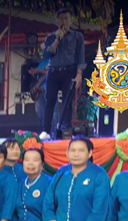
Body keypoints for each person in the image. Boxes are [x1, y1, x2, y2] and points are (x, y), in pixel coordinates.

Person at [39, 8, 85, 141]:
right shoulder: (51, 37)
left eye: (67, 18)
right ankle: (46, 130)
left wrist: (79, 74)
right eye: (62, 19)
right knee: (49, 102)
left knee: (67, 102)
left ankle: (66, 128)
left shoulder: (78, 36)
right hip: (53, 71)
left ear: (71, 21)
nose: (64, 21)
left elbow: (80, 56)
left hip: (69, 71)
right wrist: (58, 38)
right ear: (56, 21)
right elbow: (47, 54)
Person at [29, 56, 61, 133]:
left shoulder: (53, 60)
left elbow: (50, 73)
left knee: (53, 111)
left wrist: (38, 70)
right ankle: (43, 132)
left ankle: (55, 132)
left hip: (49, 89)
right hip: (39, 90)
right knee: (40, 113)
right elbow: (38, 76)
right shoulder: (42, 61)